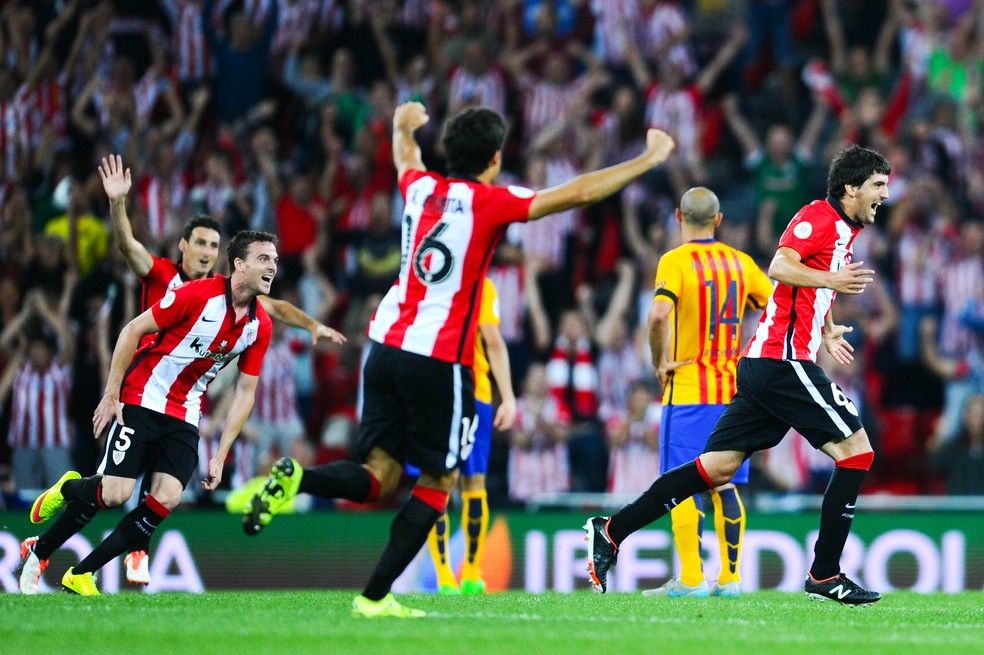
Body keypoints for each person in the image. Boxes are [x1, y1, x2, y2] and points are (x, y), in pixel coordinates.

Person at [241, 101, 675, 618]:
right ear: (493, 159)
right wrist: (646, 160)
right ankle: (374, 597)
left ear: (448, 152)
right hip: (437, 357)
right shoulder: (491, 201)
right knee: (439, 481)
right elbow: (576, 192)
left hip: (382, 348)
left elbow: (405, 156)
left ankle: (297, 476)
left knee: (378, 475)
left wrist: (404, 123)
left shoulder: (420, 188)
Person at [584, 144, 889, 606]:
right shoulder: (818, 218)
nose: (884, 194)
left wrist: (824, 328)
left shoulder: (842, 230)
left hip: (765, 366)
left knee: (717, 468)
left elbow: (800, 285)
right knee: (857, 452)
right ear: (851, 188)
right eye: (878, 186)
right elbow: (781, 266)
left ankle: (610, 530)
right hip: (781, 363)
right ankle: (826, 575)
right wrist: (829, 286)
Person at [89, 154, 343, 588]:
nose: (207, 252)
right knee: (113, 490)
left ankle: (133, 549)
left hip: (184, 395)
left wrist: (311, 323)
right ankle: (64, 538)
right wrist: (117, 206)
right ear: (183, 247)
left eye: (213, 245)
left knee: (164, 487)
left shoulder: (229, 296)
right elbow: (128, 245)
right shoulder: (164, 273)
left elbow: (273, 306)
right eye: (200, 244)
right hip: (143, 383)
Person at [18, 230, 286, 595]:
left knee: (168, 497)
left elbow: (246, 390)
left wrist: (221, 453)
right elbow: (132, 331)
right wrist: (112, 393)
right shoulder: (197, 295)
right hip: (145, 395)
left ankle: (81, 574)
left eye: (274, 260)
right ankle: (68, 489)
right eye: (264, 259)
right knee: (113, 494)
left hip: (185, 411)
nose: (273, 266)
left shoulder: (260, 326)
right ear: (239, 264)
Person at [640, 187, 774, 599]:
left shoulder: (675, 261)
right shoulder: (741, 263)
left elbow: (660, 313)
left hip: (688, 391)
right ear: (718, 221)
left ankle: (693, 580)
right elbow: (776, 306)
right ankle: (730, 579)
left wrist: (659, 361)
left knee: (680, 482)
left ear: (678, 217)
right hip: (733, 393)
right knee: (724, 483)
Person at [426, 277, 516, 595]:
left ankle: (443, 578)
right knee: (473, 484)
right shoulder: (481, 285)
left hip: (433, 394)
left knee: (436, 483)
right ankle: (471, 576)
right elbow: (492, 340)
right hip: (474, 392)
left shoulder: (426, 282)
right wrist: (507, 396)